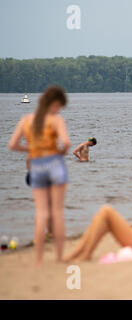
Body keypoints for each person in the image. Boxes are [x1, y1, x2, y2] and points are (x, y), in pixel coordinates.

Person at [8, 86, 71, 266]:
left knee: (41, 212)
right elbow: (66, 143)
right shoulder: (55, 120)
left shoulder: (26, 120)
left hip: (36, 165)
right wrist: (59, 152)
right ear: (55, 103)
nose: (59, 110)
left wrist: (32, 149)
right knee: (57, 213)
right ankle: (59, 258)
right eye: (59, 106)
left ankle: (38, 260)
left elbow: (12, 144)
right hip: (54, 162)